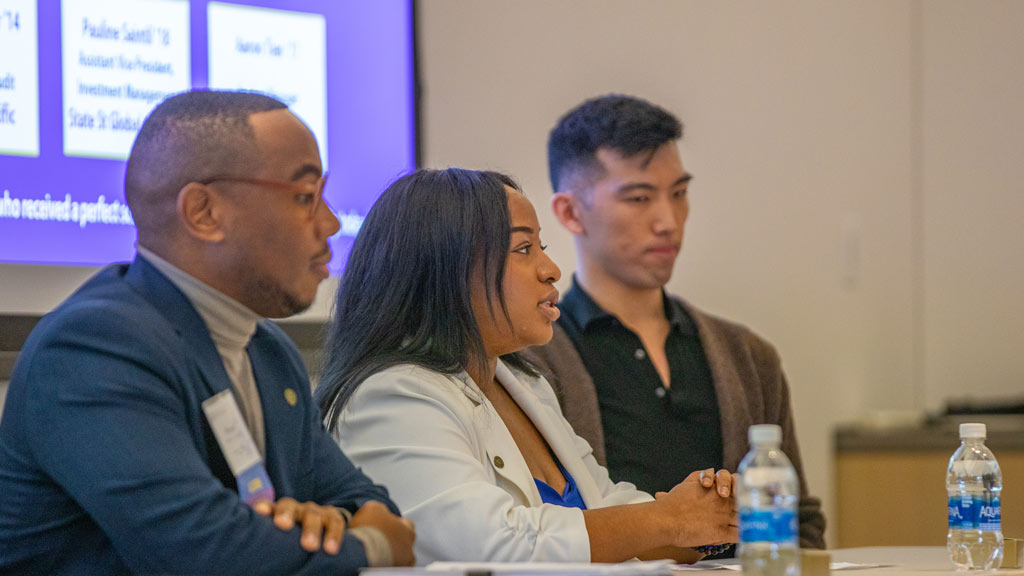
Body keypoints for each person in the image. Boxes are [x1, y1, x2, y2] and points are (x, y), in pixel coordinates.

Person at [0, 90, 415, 575]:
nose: (330, 223)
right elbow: (207, 557)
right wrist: (372, 547)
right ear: (204, 213)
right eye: (305, 197)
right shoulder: (93, 349)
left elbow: (367, 503)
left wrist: (331, 523)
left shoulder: (267, 351)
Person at [317, 168, 737, 565]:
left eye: (542, 248)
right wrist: (668, 520)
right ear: (446, 269)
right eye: (523, 249)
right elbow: (486, 545)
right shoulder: (390, 396)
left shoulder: (523, 383)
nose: (551, 270)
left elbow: (607, 508)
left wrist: (703, 520)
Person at [522, 94, 826, 549]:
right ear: (569, 212)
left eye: (679, 194)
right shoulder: (530, 362)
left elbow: (798, 522)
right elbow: (534, 531)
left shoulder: (747, 356)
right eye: (640, 198)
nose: (669, 221)